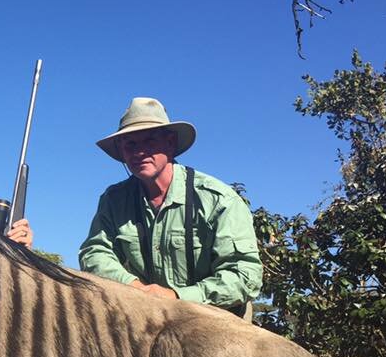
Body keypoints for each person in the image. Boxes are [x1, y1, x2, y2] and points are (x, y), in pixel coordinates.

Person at [78, 97, 262, 319]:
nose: (139, 151)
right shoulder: (114, 200)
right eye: (130, 144)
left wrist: (176, 296)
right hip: (148, 317)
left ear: (170, 142)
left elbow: (245, 275)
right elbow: (95, 252)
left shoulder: (218, 199)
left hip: (217, 321)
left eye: (150, 141)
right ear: (121, 151)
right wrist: (133, 287)